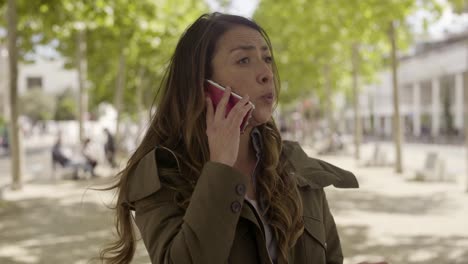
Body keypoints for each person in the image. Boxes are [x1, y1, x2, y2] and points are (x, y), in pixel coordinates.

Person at [100, 13, 386, 264]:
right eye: (244, 59)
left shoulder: (295, 166)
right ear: (202, 86)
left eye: (267, 58)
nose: (265, 73)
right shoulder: (161, 174)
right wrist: (221, 168)